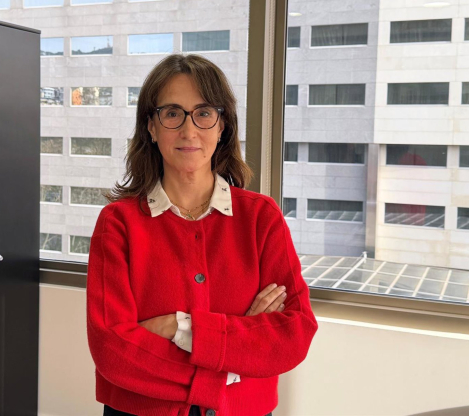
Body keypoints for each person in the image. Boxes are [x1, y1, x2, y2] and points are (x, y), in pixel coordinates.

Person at [86, 54, 318, 416]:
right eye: (172, 113)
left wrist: (180, 327)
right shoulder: (118, 223)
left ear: (222, 126)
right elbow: (112, 350)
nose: (189, 130)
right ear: (151, 127)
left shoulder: (261, 218)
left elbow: (294, 334)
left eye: (204, 113)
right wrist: (234, 351)